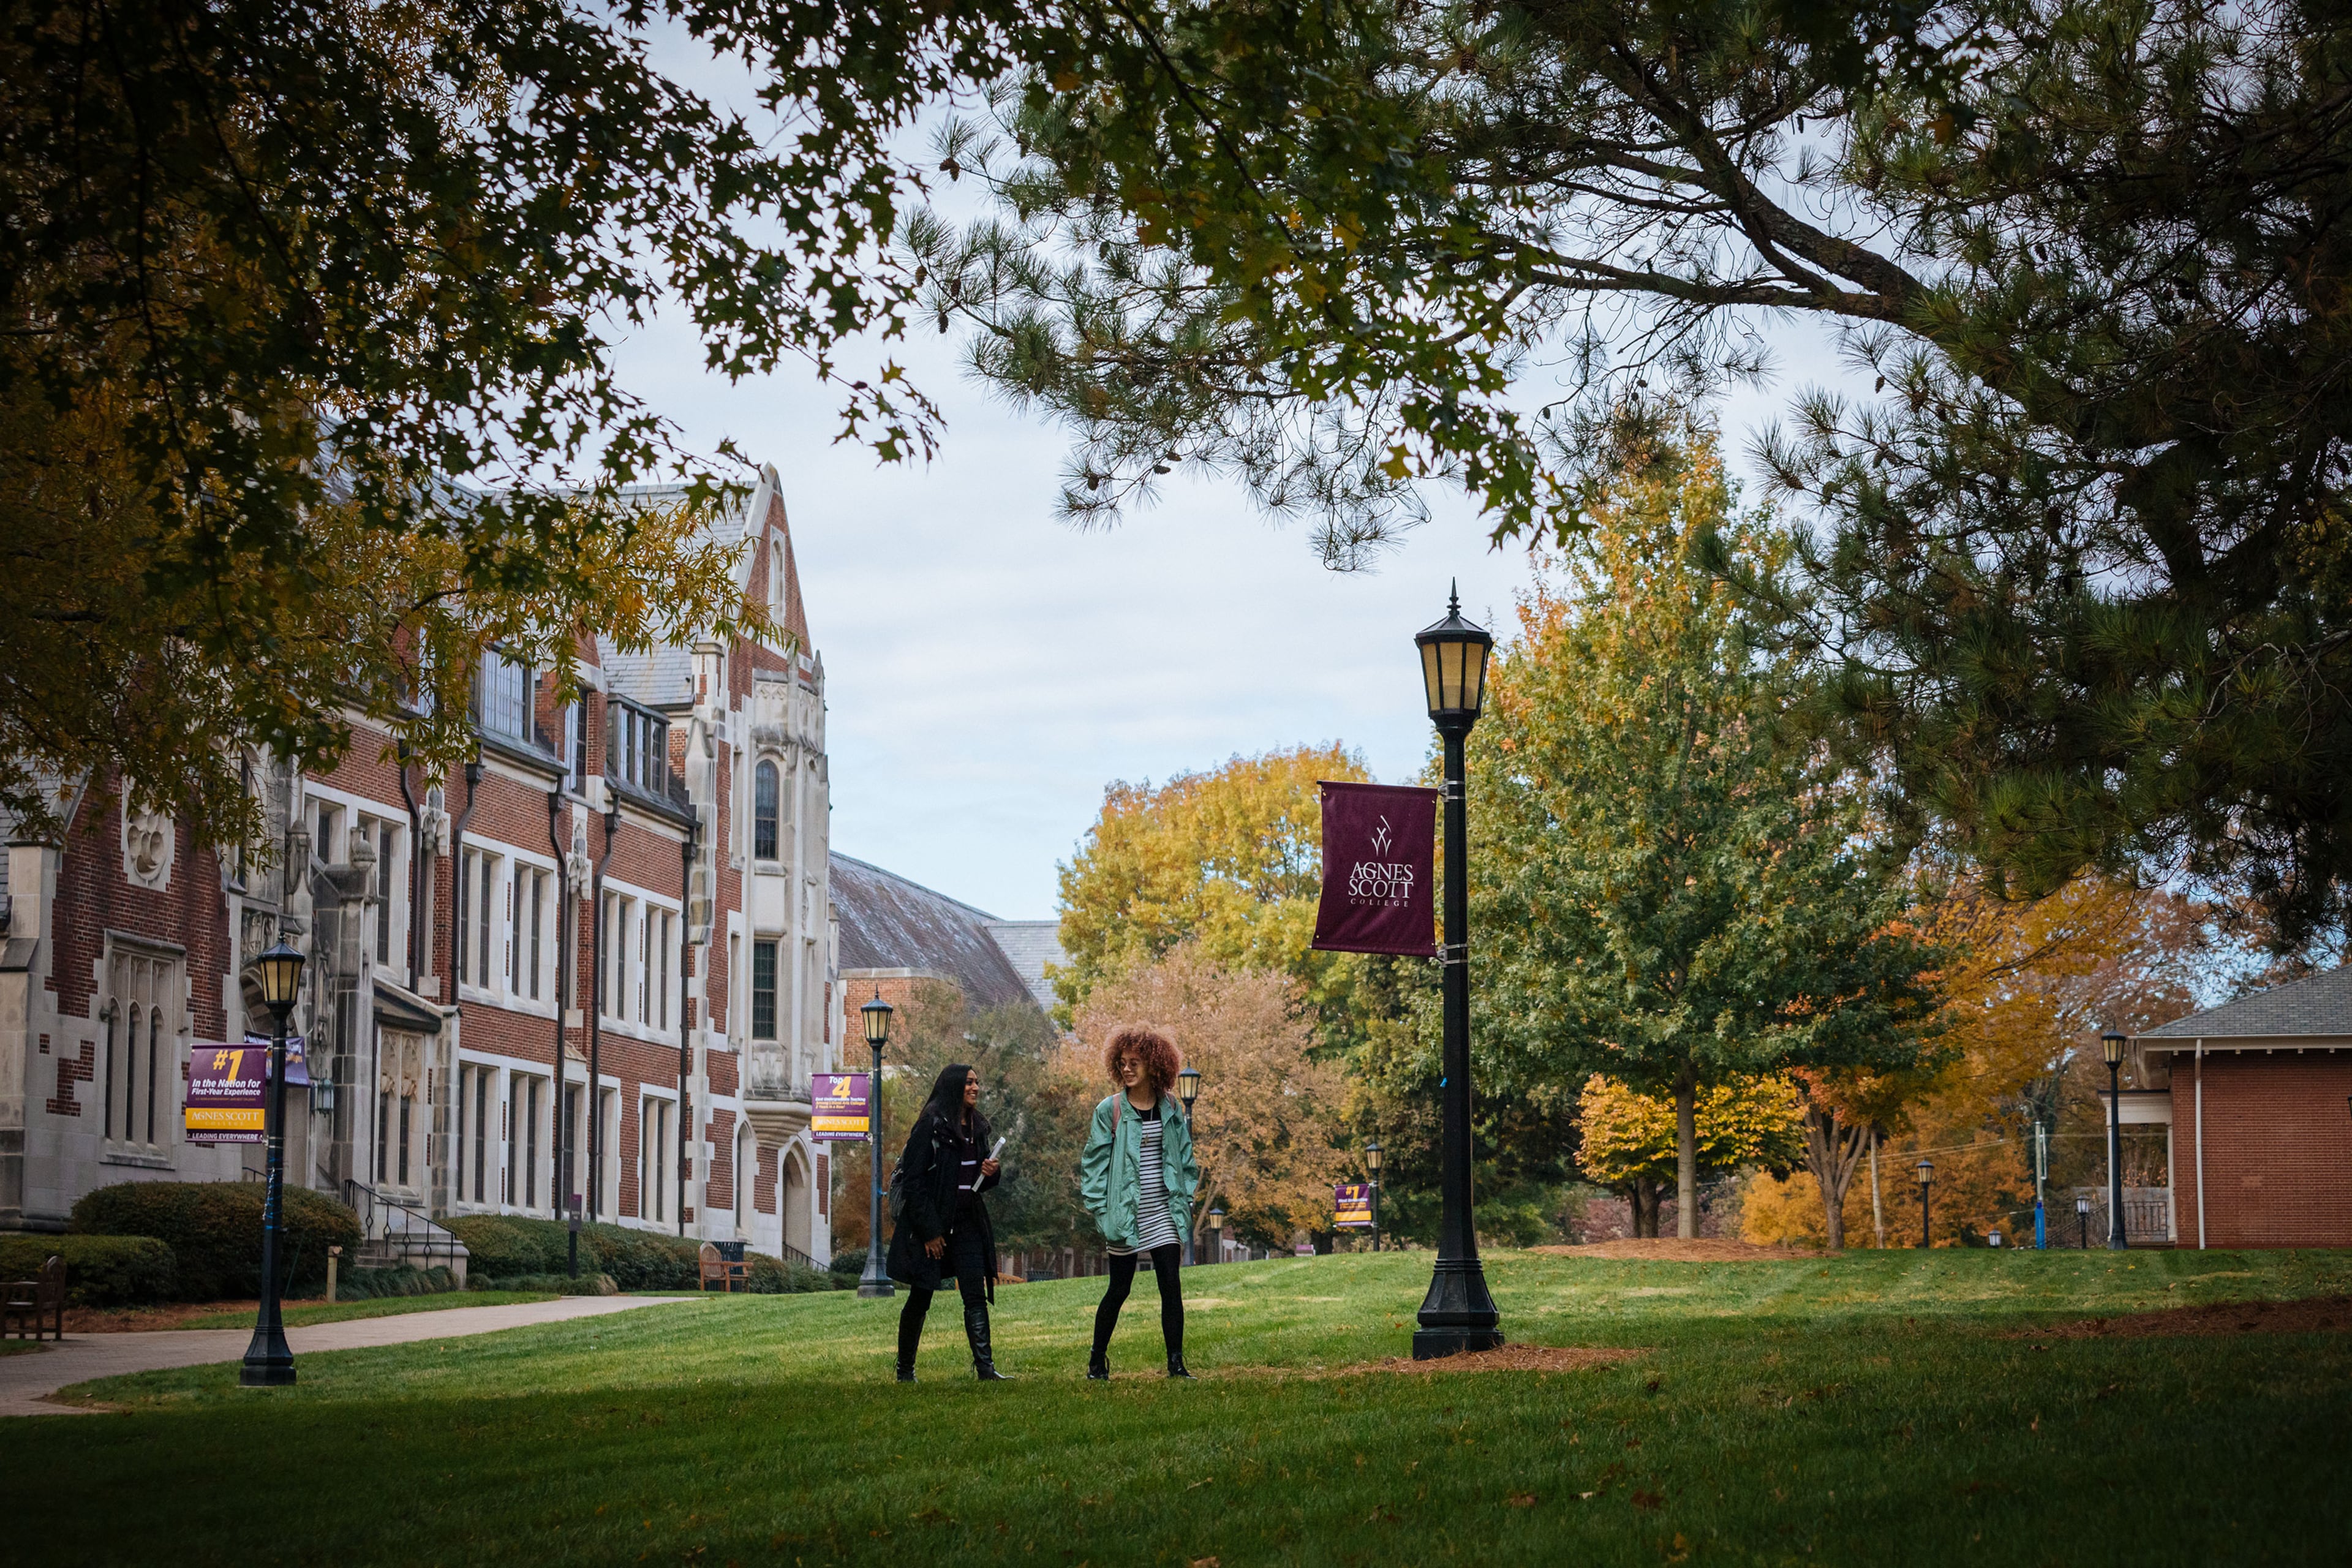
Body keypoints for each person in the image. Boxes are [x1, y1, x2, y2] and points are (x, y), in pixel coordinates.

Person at [1080, 1025, 1200, 1380]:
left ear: (1154, 1064)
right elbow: (1094, 1166)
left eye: (1135, 1062)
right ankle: (1097, 1361)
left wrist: (1186, 1198)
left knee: (1171, 1285)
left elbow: (1185, 1158)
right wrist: (1102, 1212)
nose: (1127, 1069)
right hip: (1125, 1213)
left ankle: (1176, 1364)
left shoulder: (1171, 1108)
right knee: (1119, 1289)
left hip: (1163, 1210)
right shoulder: (1111, 1110)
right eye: (1122, 1063)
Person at [886, 1063, 1009, 1381]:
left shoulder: (977, 1127)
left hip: (968, 1222)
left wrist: (991, 1174)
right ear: (954, 1086)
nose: (975, 1088)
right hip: (932, 1225)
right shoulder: (931, 1125)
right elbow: (913, 1183)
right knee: (921, 1296)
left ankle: (986, 1369)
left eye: (977, 1082)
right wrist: (930, 1232)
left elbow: (978, 1180)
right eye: (969, 1082)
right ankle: (905, 1370)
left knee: (975, 1295)